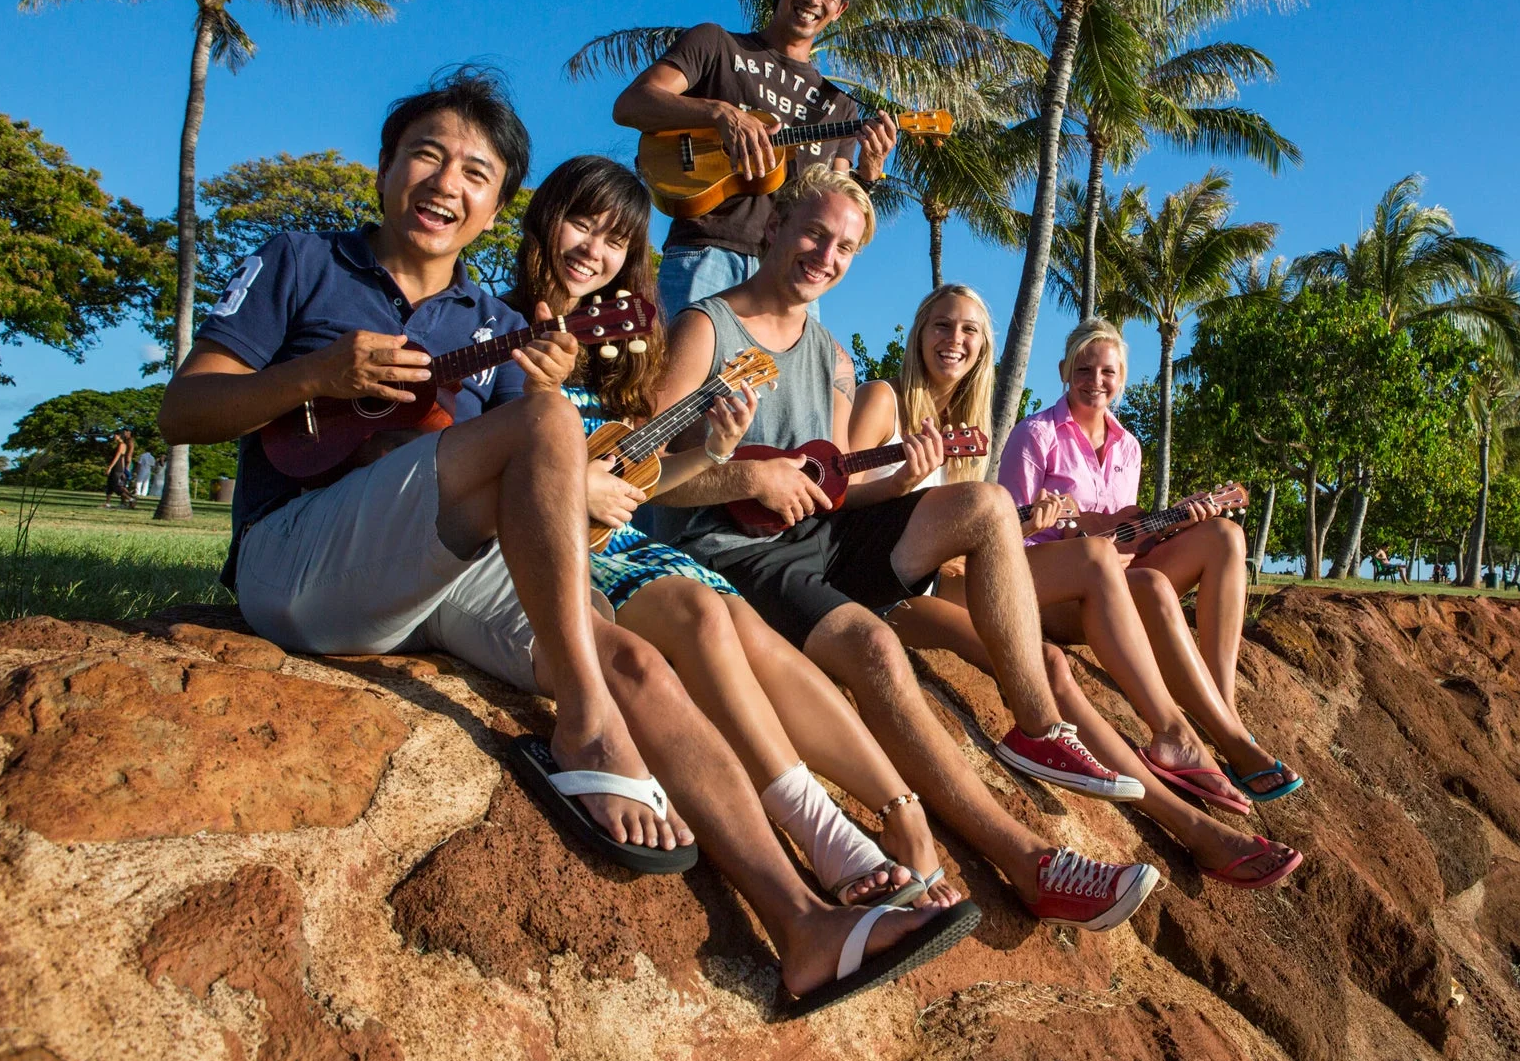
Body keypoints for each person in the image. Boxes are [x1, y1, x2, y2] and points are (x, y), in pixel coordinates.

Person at [158, 68, 972, 1011]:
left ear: (495, 202)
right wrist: (319, 377)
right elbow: (185, 408)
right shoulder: (302, 260)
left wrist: (594, 562)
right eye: (427, 155)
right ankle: (586, 725)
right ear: (384, 169)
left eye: (475, 171)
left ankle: (802, 923)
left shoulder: (492, 325)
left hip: (427, 575)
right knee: (548, 433)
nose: (446, 183)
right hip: (295, 559)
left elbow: (542, 496)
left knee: (635, 659)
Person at [653, 166, 1162, 932]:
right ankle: (1030, 862)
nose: (828, 255)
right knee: (874, 646)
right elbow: (644, 474)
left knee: (985, 504)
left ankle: (1034, 728)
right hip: (732, 552)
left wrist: (900, 485)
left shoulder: (828, 354)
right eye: (815, 234)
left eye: (846, 247)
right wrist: (744, 478)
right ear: (771, 230)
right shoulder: (704, 328)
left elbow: (833, 490)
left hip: (817, 536)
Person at [504, 153, 958, 909]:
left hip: (619, 537)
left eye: (616, 241)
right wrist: (730, 474)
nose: (593, 250)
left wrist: (715, 447)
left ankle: (893, 811)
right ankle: (823, 833)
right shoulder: (489, 325)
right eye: (581, 224)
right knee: (707, 611)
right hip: (548, 545)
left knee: (745, 626)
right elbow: (500, 458)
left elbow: (641, 470)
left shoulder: (617, 352)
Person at [858, 286, 1302, 889]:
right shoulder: (885, 398)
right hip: (895, 585)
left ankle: (1187, 741)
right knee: (1065, 626)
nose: (955, 341)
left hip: (959, 573)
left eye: (969, 332)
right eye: (942, 325)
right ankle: (1191, 818)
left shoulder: (965, 428)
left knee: (1083, 623)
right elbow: (842, 503)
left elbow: (978, 532)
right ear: (918, 330)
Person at [999, 318, 1305, 805]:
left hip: (1113, 578)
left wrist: (1176, 524)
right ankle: (1223, 739)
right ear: (1063, 370)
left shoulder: (1129, 447)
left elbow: (1124, 536)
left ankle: (1220, 709)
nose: (1095, 381)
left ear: (1122, 379)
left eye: (1107, 372)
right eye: (1084, 369)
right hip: (1053, 590)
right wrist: (1056, 526)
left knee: (1223, 535)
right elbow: (1005, 537)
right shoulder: (1035, 435)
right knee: (1148, 585)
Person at [611, 0, 896, 318]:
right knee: (678, 381)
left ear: (840, 8)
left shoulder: (839, 107)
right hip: (703, 253)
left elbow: (833, 205)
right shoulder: (716, 45)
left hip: (789, 277)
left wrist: (869, 174)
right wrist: (718, 112)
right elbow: (631, 105)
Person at [103, 429, 134, 508]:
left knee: (116, 486)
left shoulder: (122, 445)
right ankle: (107, 503)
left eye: (115, 435)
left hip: (117, 467)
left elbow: (117, 457)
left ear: (119, 436)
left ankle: (131, 499)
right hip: (117, 467)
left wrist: (110, 467)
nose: (114, 437)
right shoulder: (118, 444)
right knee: (109, 485)